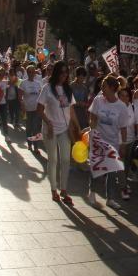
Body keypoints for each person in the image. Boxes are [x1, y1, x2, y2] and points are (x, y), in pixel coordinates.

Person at [38, 60, 81, 206]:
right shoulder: (47, 88)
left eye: (66, 72)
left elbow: (71, 110)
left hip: (64, 129)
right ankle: (53, 190)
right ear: (56, 72)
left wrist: (77, 127)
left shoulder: (68, 89)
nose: (64, 75)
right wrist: (48, 123)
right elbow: (39, 109)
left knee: (65, 159)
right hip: (50, 129)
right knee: (53, 159)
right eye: (61, 72)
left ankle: (64, 190)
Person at [87, 75, 130, 209]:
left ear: (112, 88)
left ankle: (110, 198)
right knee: (97, 168)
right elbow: (92, 118)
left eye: (104, 86)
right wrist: (93, 131)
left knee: (112, 172)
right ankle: (92, 193)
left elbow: (123, 128)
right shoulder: (98, 100)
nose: (101, 88)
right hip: (98, 141)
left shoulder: (121, 107)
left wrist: (123, 144)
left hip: (113, 143)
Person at [20, 65, 44, 153]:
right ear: (27, 72)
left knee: (36, 127)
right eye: (29, 72)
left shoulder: (38, 83)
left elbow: (41, 96)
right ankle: (29, 144)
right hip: (27, 109)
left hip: (36, 109)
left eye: (33, 72)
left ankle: (36, 146)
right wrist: (22, 106)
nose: (31, 73)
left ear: (35, 73)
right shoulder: (23, 83)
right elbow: (20, 96)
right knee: (29, 127)